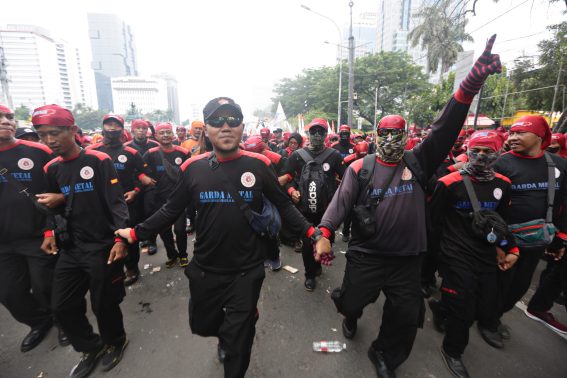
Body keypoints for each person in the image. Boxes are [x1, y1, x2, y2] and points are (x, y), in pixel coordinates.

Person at [314, 35, 501, 377]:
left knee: (404, 315)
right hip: (367, 255)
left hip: (408, 260)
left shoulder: (420, 161)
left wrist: (471, 83)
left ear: (405, 137)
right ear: (374, 135)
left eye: (395, 135)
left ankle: (384, 354)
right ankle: (350, 312)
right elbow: (339, 205)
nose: (388, 141)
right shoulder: (361, 167)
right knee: (352, 300)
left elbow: (446, 127)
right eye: (382, 134)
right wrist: (323, 233)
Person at [116, 97, 318, 378]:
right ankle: (231, 329)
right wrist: (136, 233)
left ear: (242, 127)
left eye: (232, 120)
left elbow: (283, 205)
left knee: (239, 341)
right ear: (205, 129)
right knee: (202, 325)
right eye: (216, 120)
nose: (225, 126)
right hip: (205, 268)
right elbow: (171, 209)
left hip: (246, 270)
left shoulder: (258, 165)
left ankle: (240, 327)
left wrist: (313, 233)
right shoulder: (193, 168)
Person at [33, 104, 130, 378]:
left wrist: (121, 238)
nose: (49, 140)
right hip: (71, 248)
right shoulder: (51, 168)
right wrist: (49, 233)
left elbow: (116, 203)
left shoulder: (98, 161)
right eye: (42, 135)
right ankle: (91, 346)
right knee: (61, 306)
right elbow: (50, 207)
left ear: (72, 130)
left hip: (102, 245)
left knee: (103, 303)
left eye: (54, 133)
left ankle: (116, 340)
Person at [429, 131, 518, 378]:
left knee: (485, 301)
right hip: (455, 255)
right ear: (467, 151)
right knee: (463, 311)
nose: (480, 156)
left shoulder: (503, 184)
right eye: (476, 150)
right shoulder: (448, 183)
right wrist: (432, 260)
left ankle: (441, 308)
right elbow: (433, 222)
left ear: (499, 153)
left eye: (488, 151)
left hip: (486, 254)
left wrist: (509, 248)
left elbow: (502, 221)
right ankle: (452, 351)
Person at [0, 104, 68, 352]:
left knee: (45, 286)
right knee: (9, 293)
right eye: (0, 117)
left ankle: (64, 322)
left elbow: (62, 189)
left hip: (38, 235)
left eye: (9, 117)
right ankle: (39, 322)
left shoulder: (38, 152)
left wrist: (52, 229)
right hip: (3, 243)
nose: (6, 121)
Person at [495, 116, 567, 336]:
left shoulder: (560, 166)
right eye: (512, 132)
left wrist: (561, 237)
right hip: (506, 238)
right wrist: (497, 242)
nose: (513, 137)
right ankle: (487, 320)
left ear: (539, 137)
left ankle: (495, 316)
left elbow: (564, 202)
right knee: (497, 283)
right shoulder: (501, 163)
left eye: (520, 133)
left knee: (519, 286)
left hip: (537, 240)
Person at [86, 114, 154, 286]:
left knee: (127, 238)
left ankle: (132, 268)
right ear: (102, 128)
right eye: (109, 125)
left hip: (126, 202)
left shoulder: (131, 153)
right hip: (98, 204)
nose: (112, 128)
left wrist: (136, 191)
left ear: (122, 130)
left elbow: (144, 175)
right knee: (104, 236)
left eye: (116, 125)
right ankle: (110, 268)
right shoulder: (91, 152)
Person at [281, 118, 345, 291]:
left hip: (327, 211)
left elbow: (347, 180)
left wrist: (337, 196)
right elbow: (286, 178)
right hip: (304, 209)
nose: (317, 135)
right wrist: (291, 191)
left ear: (326, 134)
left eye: (321, 132)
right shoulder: (296, 156)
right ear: (308, 133)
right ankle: (310, 275)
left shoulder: (334, 156)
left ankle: (319, 264)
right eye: (314, 131)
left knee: (327, 239)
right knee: (308, 245)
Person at [143, 122, 190, 267]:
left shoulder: (183, 153)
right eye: (161, 133)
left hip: (179, 198)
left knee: (180, 229)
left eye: (168, 132)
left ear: (173, 134)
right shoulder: (150, 154)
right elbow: (140, 170)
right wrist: (143, 178)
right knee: (164, 230)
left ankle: (183, 255)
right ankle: (172, 255)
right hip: (159, 199)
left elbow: (190, 172)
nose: (165, 135)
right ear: (156, 135)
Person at [125, 119, 160, 255]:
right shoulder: (127, 147)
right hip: (134, 185)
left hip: (151, 183)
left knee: (150, 211)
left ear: (147, 131)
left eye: (143, 128)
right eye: (138, 128)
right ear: (132, 130)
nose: (141, 131)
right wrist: (140, 177)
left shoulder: (154, 145)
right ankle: (142, 237)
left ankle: (152, 240)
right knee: (136, 214)